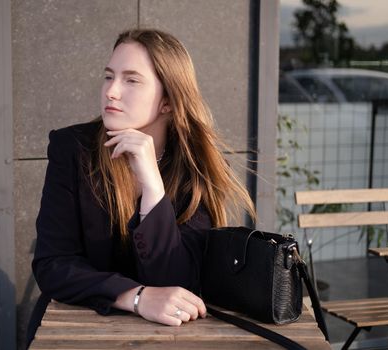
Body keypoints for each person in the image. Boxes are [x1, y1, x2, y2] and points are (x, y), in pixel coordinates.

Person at [27, 28, 255, 345]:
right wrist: (136, 297)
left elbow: (179, 281)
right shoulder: (73, 149)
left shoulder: (194, 167)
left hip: (168, 338)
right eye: (109, 77)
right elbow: (53, 265)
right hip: (79, 329)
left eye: (131, 80)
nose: (111, 91)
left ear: (168, 102)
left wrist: (151, 183)